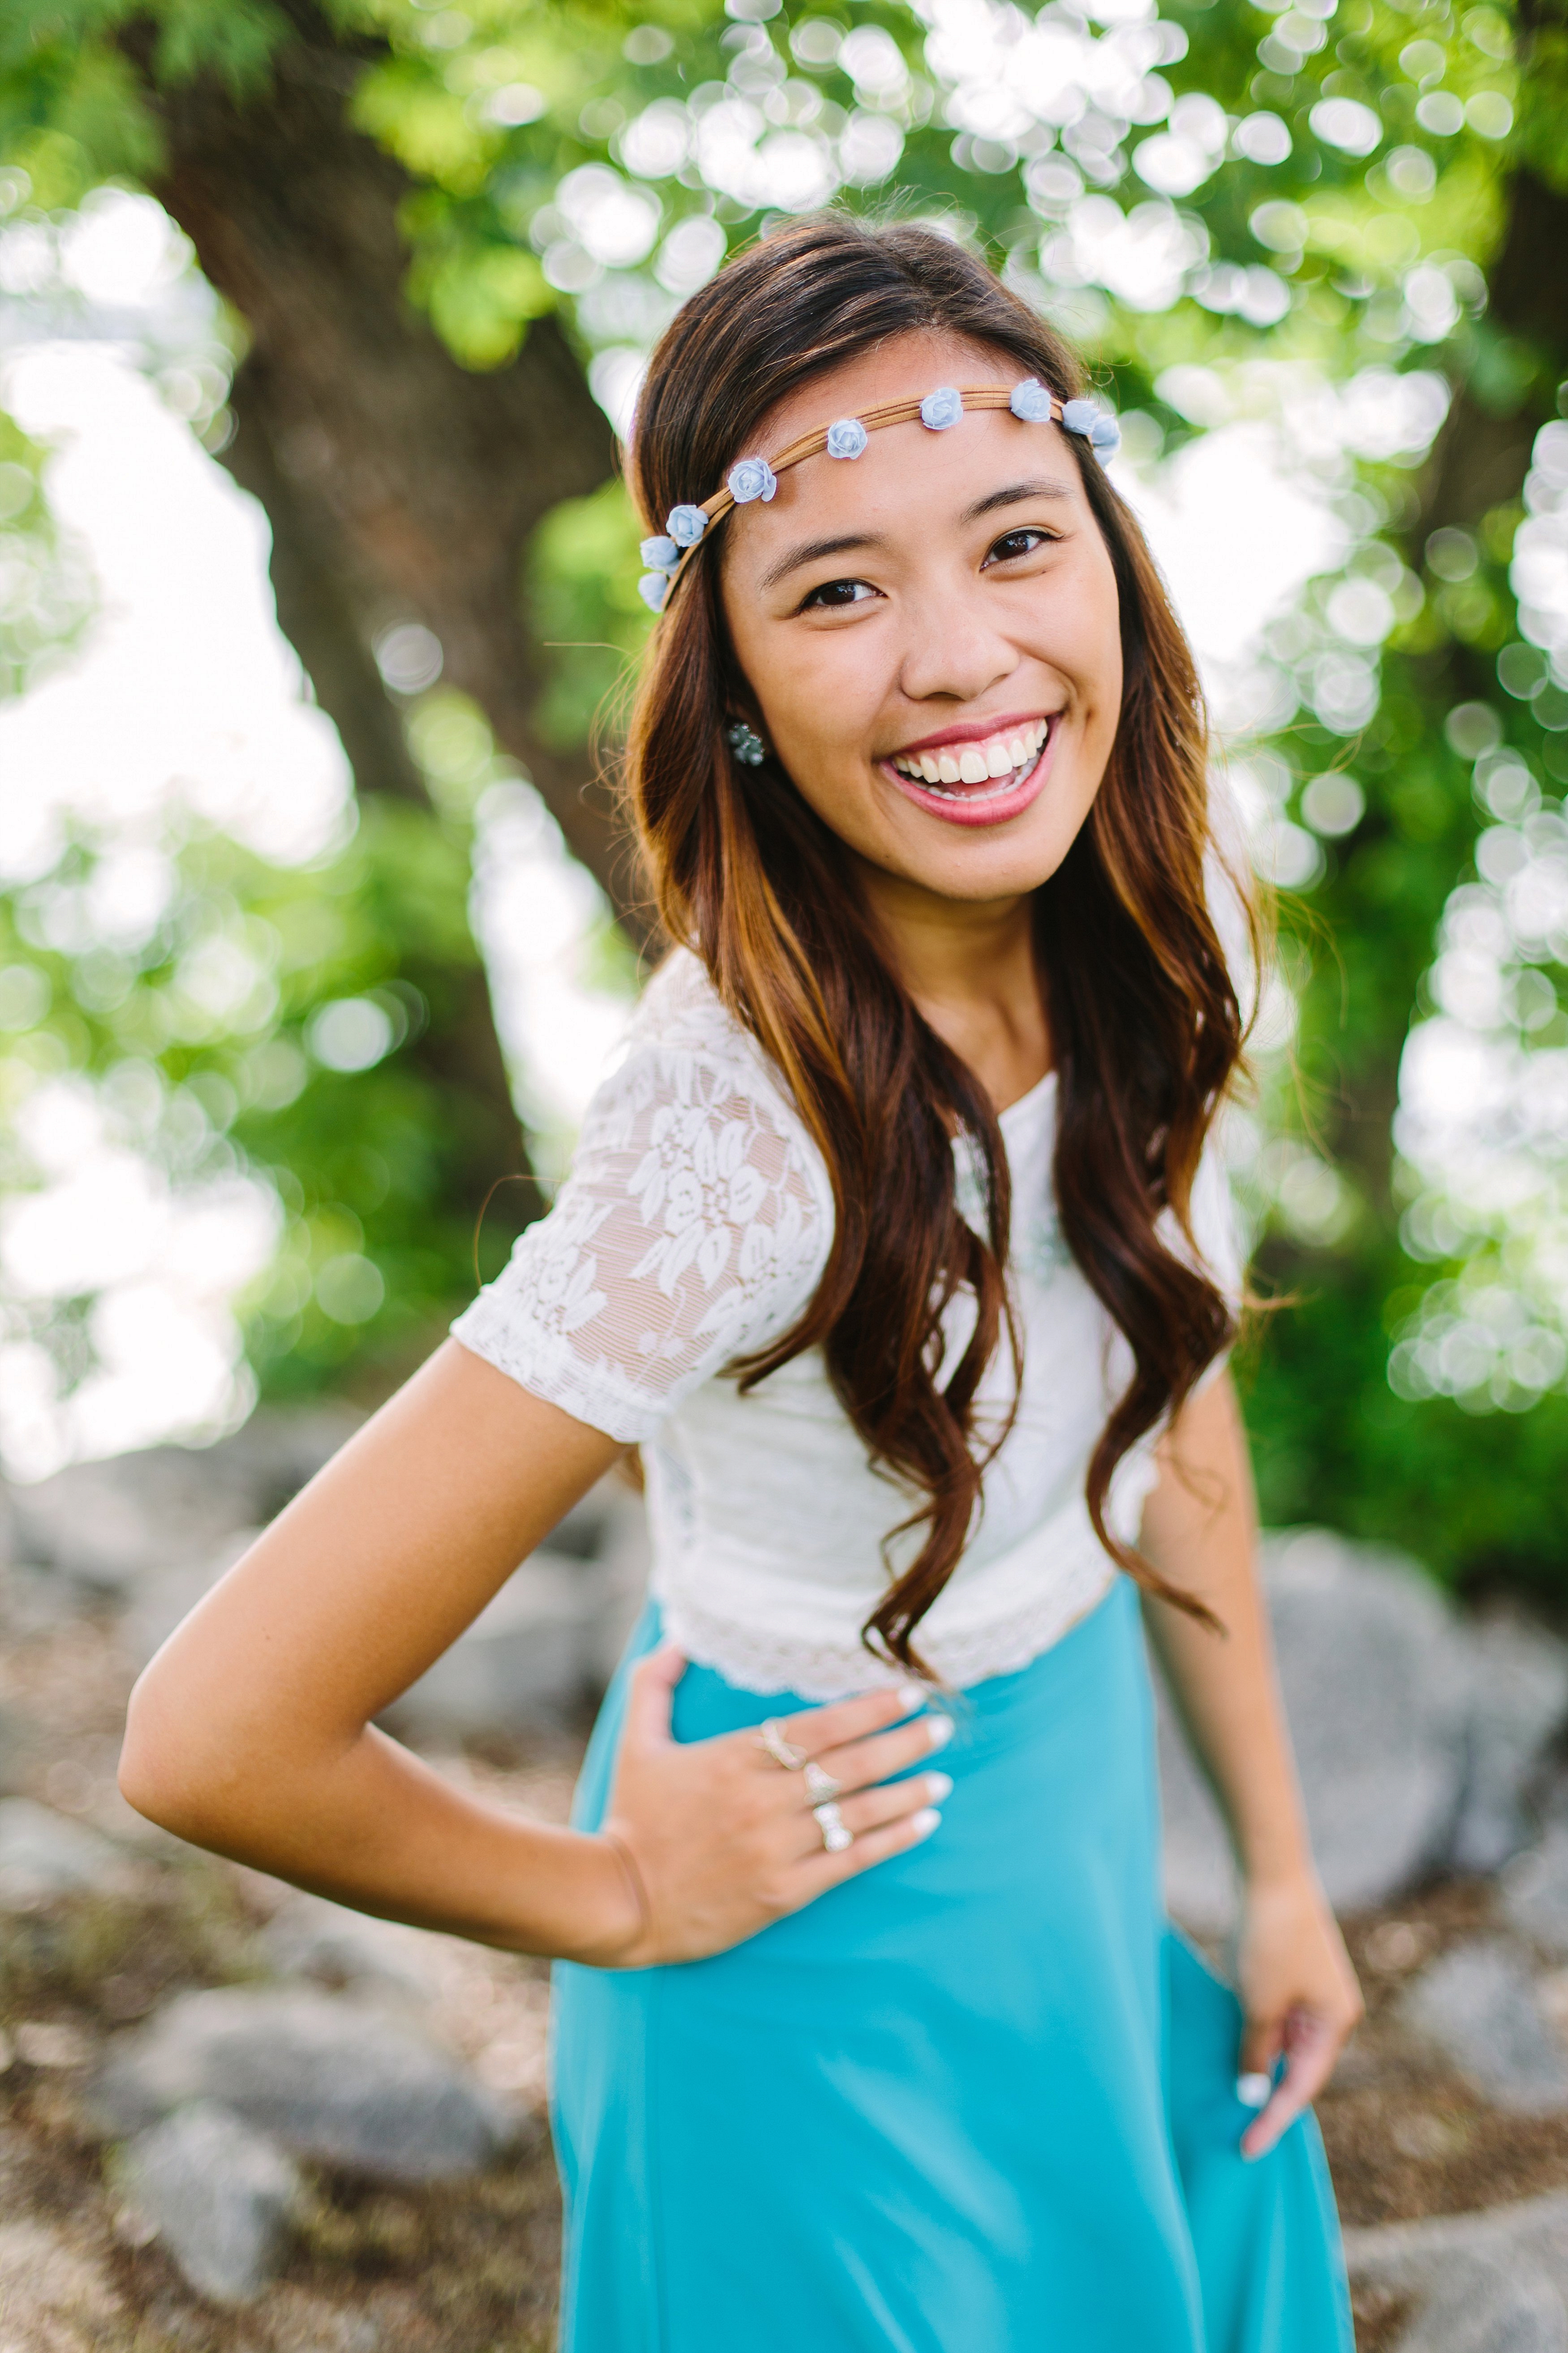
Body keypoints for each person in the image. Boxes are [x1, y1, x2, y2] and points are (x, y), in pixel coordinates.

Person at [120, 215, 1363, 2350]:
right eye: (839, 589)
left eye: (1010, 542)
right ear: (743, 689)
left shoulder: (1145, 939)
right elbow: (213, 1731)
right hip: (799, 1919)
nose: (961, 655)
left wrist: (1271, 1865)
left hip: (1064, 1822)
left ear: (1113, 573)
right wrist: (607, 1887)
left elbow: (1165, 1414)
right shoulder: (730, 1140)